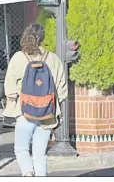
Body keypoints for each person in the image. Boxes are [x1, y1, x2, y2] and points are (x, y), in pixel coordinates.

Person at [4, 23, 68, 177]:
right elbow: (62, 89)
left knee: (21, 149)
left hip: (24, 111)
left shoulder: (18, 57)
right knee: (40, 154)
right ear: (42, 38)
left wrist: (13, 101)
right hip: (47, 113)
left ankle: (27, 174)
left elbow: (9, 88)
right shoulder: (53, 58)